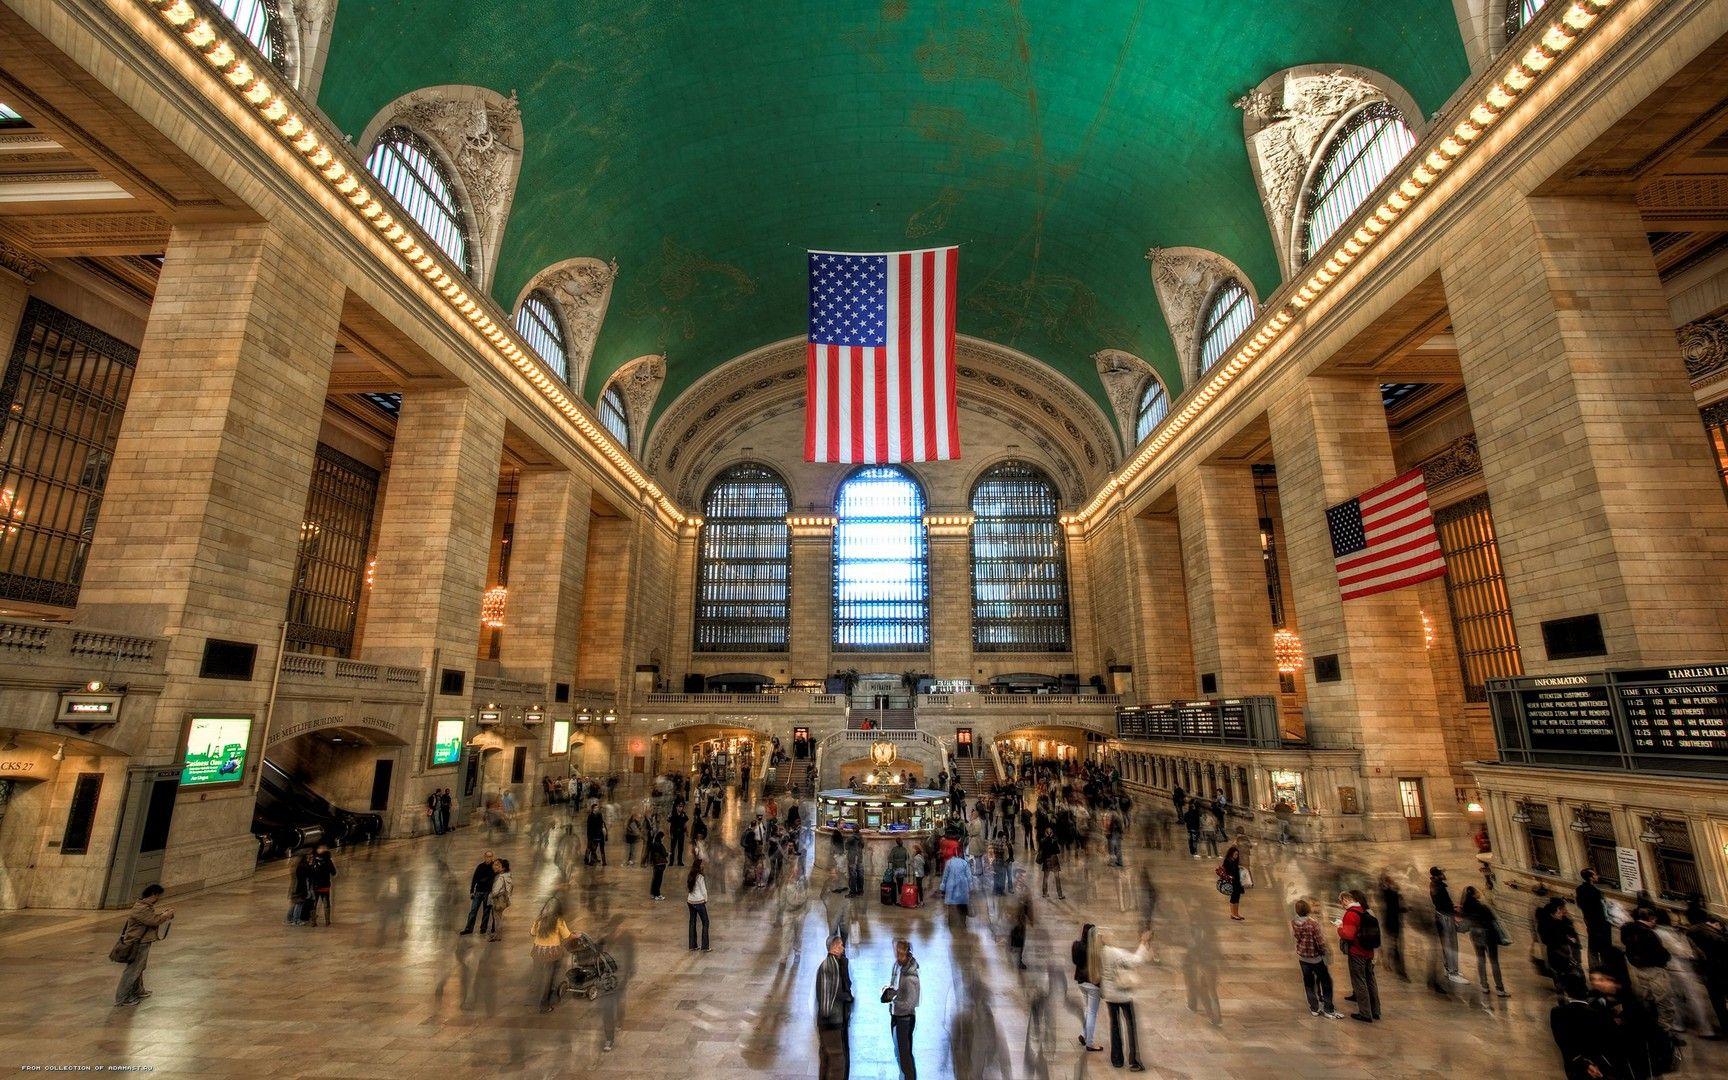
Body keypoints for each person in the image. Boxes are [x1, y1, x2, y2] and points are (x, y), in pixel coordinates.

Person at [1621, 907, 1678, 1039]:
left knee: (1645, 1000)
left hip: (1635, 969)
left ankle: (1649, 1029)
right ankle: (1664, 1033)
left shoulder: (1627, 929)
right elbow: (1661, 954)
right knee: (1663, 1002)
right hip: (1654, 971)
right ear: (1652, 919)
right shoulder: (1649, 934)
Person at [1100, 927, 1152, 1071]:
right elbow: (1136, 960)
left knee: (1114, 1026)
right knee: (1130, 1026)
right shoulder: (1115, 952)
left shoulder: (1100, 952)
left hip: (1109, 995)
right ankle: (1134, 1061)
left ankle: (1117, 1059)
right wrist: (1143, 942)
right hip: (1122, 994)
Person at [113, 883, 174, 1007]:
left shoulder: (144, 906)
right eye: (158, 896)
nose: (158, 899)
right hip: (137, 943)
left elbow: (152, 918)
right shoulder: (141, 908)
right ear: (153, 895)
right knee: (133, 970)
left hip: (142, 942)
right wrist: (166, 915)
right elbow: (153, 920)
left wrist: (163, 915)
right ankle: (123, 998)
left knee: (139, 968)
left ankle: (137, 990)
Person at [1551, 971, 1617, 1080]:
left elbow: (1562, 1042)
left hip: (1574, 1067)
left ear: (1566, 993)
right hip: (1598, 1068)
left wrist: (1584, 1063)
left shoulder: (1557, 1013)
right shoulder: (1599, 1014)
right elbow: (1608, 1041)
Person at [1291, 899, 1343, 1018]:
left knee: (1309, 983)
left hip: (1303, 958)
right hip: (1316, 958)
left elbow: (1297, 936)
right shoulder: (1312, 923)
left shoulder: (1294, 922)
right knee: (1326, 982)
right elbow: (1320, 941)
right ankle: (1328, 1008)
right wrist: (1325, 951)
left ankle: (1314, 1008)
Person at [1339, 889, 1382, 1022]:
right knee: (1370, 981)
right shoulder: (1364, 911)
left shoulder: (1351, 914)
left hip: (1357, 952)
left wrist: (1340, 928)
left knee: (1359, 981)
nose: (1341, 904)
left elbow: (1349, 935)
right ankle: (1375, 1010)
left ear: (1346, 899)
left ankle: (1365, 1013)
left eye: (1341, 901)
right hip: (1368, 951)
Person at [815, 934, 853, 1080]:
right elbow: (828, 998)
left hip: (832, 1020)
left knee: (826, 1058)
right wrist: (846, 998)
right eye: (840, 945)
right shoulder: (828, 967)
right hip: (831, 1022)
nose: (843, 948)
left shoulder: (837, 963)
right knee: (837, 1061)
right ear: (834, 947)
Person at [1460, 884, 1509, 998]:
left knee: (1480, 960)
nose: (1479, 892)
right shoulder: (1483, 907)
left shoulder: (1466, 908)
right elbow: (1493, 920)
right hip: (1487, 935)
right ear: (1473, 895)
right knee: (1494, 962)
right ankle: (1500, 989)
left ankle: (1484, 986)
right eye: (1477, 891)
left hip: (1474, 934)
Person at [885, 937, 920, 1080]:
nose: (895, 955)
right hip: (896, 1016)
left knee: (905, 1057)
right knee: (899, 1053)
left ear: (904, 953)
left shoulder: (911, 977)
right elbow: (895, 986)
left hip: (905, 1019)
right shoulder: (898, 966)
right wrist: (889, 992)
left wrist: (893, 1000)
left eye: (897, 952)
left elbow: (910, 1003)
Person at [1428, 866, 1468, 985]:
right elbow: (1444, 904)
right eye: (1441, 873)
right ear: (1436, 875)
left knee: (1446, 944)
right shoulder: (1439, 887)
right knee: (1451, 945)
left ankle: (1448, 968)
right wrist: (1455, 910)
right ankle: (1453, 972)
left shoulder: (1435, 885)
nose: (1443, 875)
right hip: (1445, 917)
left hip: (1441, 915)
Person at [531, 903, 572, 1013]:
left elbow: (532, 933)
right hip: (552, 954)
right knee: (549, 979)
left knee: (539, 976)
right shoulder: (559, 921)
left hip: (538, 952)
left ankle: (536, 996)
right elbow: (567, 936)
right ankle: (544, 1004)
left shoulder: (539, 920)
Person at [1072, 923, 1104, 1052]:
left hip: (1081, 982)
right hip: (1092, 984)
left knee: (1087, 1010)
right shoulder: (1096, 949)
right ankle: (1089, 1043)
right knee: (1092, 1013)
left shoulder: (1077, 946)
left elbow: (1075, 961)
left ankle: (1083, 1034)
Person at [1576, 869, 1615, 967]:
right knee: (1604, 949)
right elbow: (1601, 910)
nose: (1597, 876)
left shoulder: (1580, 889)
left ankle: (1594, 970)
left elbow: (1580, 905)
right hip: (1600, 924)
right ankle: (1604, 970)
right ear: (1591, 878)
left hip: (1590, 923)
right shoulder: (1595, 893)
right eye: (1595, 875)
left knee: (1593, 948)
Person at [458, 849, 497, 935]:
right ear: (484, 857)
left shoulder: (494, 867)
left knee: (486, 911)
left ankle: (483, 928)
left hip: (488, 892)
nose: (489, 858)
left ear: (492, 857)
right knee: (473, 910)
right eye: (487, 856)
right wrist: (472, 891)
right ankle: (468, 928)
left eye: (490, 857)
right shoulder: (480, 867)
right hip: (478, 891)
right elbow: (475, 879)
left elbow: (494, 879)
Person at [943, 846, 973, 925]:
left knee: (952, 906)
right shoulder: (964, 863)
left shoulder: (949, 862)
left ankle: (951, 922)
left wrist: (942, 886)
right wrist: (971, 887)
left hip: (951, 887)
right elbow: (969, 876)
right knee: (962, 904)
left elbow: (945, 876)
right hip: (963, 886)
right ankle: (963, 922)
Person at [308, 844, 336, 926]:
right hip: (325, 885)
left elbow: (310, 872)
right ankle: (327, 921)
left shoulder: (313, 860)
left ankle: (313, 922)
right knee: (326, 903)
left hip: (315, 885)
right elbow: (334, 873)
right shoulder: (328, 861)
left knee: (314, 903)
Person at [486, 857, 512, 941]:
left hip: (497, 901)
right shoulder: (507, 876)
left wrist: (490, 895)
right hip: (503, 900)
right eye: (494, 865)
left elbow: (495, 892)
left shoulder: (500, 878)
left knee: (497, 919)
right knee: (499, 918)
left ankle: (498, 936)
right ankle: (498, 935)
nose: (494, 867)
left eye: (498, 865)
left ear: (503, 868)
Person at [687, 857, 710, 951]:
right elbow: (703, 890)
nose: (703, 866)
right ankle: (705, 946)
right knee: (706, 922)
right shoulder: (700, 877)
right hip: (699, 901)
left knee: (692, 922)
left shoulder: (690, 875)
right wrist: (706, 899)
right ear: (699, 866)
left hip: (690, 901)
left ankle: (692, 945)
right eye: (702, 864)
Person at [288, 850, 316, 926]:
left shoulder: (299, 866)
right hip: (300, 888)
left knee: (296, 904)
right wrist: (311, 865)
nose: (309, 859)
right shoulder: (303, 867)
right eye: (308, 857)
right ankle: (295, 919)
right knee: (299, 904)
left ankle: (290, 919)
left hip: (297, 888)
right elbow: (309, 875)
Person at [1037, 827, 1064, 900]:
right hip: (1054, 860)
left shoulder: (1042, 841)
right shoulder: (1054, 840)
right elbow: (1058, 851)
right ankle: (1060, 895)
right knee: (1057, 878)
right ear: (1051, 833)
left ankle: (1044, 893)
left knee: (1045, 877)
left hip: (1046, 860)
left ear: (1045, 833)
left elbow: (1040, 851)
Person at [1220, 846, 1245, 921]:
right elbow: (1227, 871)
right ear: (1231, 854)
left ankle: (1236, 913)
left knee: (1237, 898)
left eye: (1237, 855)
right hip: (1232, 882)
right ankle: (1233, 914)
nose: (1236, 856)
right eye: (1235, 854)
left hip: (1237, 882)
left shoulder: (1234, 861)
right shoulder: (1228, 861)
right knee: (1233, 898)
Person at [648, 821, 670, 901]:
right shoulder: (660, 845)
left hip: (655, 864)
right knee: (658, 880)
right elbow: (664, 853)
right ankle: (657, 894)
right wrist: (668, 854)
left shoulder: (654, 844)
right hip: (660, 865)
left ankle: (653, 894)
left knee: (654, 879)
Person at [585, 801, 608, 866]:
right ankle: (591, 861)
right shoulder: (590, 816)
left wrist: (605, 835)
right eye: (595, 808)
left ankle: (604, 862)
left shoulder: (600, 815)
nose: (597, 809)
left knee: (601, 849)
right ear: (592, 809)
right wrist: (589, 836)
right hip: (593, 835)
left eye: (597, 808)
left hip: (600, 834)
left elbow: (602, 824)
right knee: (593, 849)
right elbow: (589, 827)